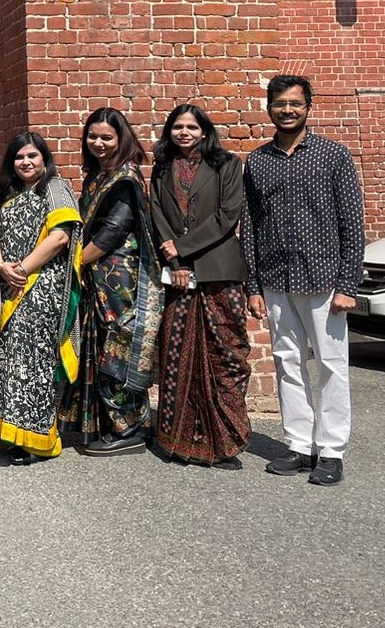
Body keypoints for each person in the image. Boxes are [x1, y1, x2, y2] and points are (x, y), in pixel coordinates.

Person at [243, 75, 365, 486]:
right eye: (280, 104)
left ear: (308, 107)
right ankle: (298, 444)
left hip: (325, 280)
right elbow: (251, 226)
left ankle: (331, 451)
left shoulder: (333, 155)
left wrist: (348, 285)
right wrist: (253, 286)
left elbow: (352, 223)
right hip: (276, 279)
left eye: (295, 103)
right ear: (269, 109)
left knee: (331, 365)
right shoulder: (258, 162)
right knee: (287, 362)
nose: (287, 110)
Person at [149, 104, 252, 469]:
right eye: (178, 126)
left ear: (204, 131)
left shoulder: (227, 165)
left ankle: (225, 442)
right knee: (178, 357)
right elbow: (158, 217)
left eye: (192, 127)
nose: (185, 132)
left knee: (225, 356)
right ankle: (178, 441)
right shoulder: (162, 168)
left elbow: (228, 215)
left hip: (218, 271)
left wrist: (183, 247)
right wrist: (175, 263)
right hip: (179, 276)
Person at [58, 106, 162, 456]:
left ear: (121, 139)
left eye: (106, 137)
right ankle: (115, 423)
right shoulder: (99, 175)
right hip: (99, 276)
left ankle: (128, 428)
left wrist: (75, 261)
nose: (98, 143)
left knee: (117, 349)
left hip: (118, 281)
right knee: (103, 346)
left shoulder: (125, 178)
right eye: (93, 136)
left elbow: (114, 230)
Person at [0, 132, 81, 464]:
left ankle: (40, 441)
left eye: (32, 156)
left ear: (44, 159)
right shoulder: (7, 195)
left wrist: (23, 269)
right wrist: (1, 266)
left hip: (42, 287)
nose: (26, 162)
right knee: (12, 363)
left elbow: (60, 237)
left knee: (38, 362)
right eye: (19, 157)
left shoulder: (55, 188)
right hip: (10, 286)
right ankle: (15, 435)